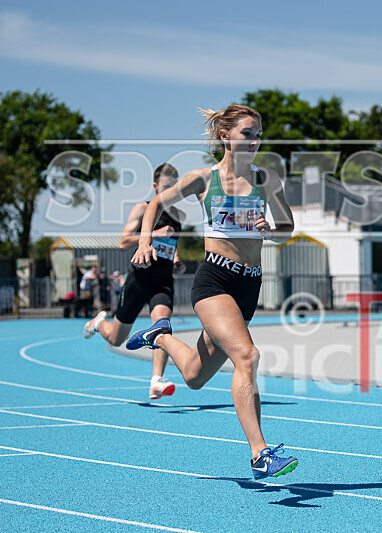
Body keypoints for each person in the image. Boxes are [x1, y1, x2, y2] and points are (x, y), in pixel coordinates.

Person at [126, 104, 298, 479]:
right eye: (247, 133)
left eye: (258, 134)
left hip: (249, 283)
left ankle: (161, 336)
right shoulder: (203, 179)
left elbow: (287, 226)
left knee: (193, 377)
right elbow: (157, 203)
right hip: (214, 281)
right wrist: (144, 241)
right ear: (225, 137)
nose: (254, 140)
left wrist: (270, 226)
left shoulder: (268, 180)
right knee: (247, 356)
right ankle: (260, 453)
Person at [83, 163, 186, 400]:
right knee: (117, 338)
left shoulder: (179, 216)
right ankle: (99, 323)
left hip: (163, 280)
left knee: (163, 326)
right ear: (155, 186)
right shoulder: (143, 209)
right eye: (167, 187)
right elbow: (123, 241)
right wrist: (154, 234)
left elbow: (172, 245)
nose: (172, 191)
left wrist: (177, 260)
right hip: (139, 280)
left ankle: (156, 381)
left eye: (176, 188)